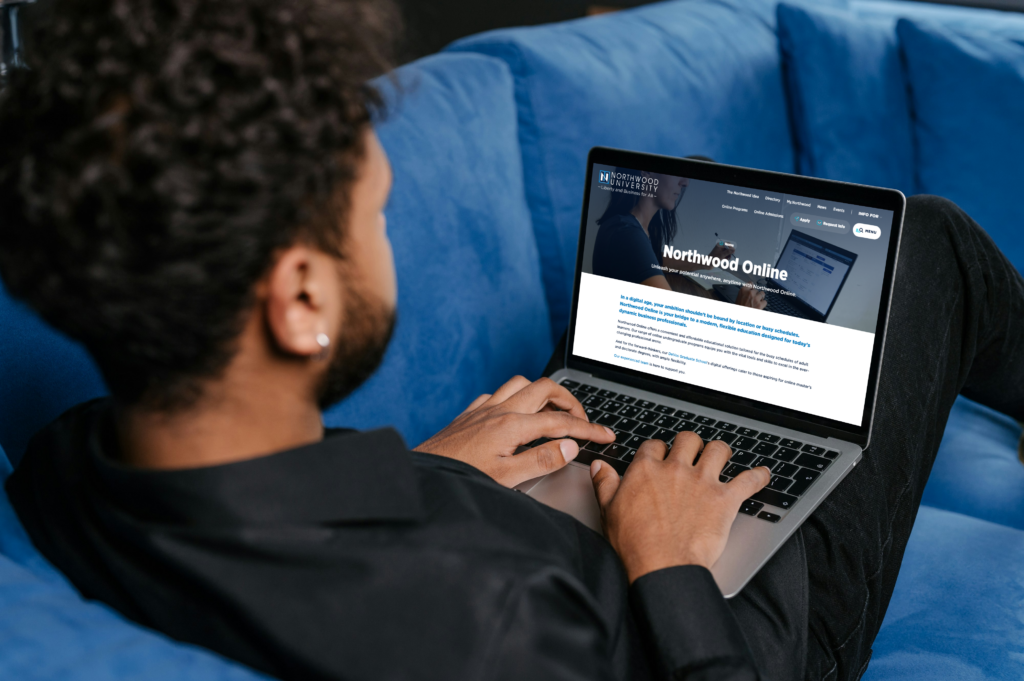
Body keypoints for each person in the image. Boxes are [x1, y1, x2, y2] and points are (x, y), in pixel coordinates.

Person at [1, 2, 1022, 681]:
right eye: (375, 214)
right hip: (738, 625)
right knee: (932, 244)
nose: (384, 241)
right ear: (301, 295)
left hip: (542, 526)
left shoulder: (71, 463)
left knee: (707, 237)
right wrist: (671, 562)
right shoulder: (498, 620)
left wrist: (419, 478)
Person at [592, 170, 767, 308]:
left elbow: (655, 260)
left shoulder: (635, 227)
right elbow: (673, 321)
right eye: (676, 172)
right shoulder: (627, 234)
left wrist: (706, 262)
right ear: (646, 172)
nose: (685, 182)